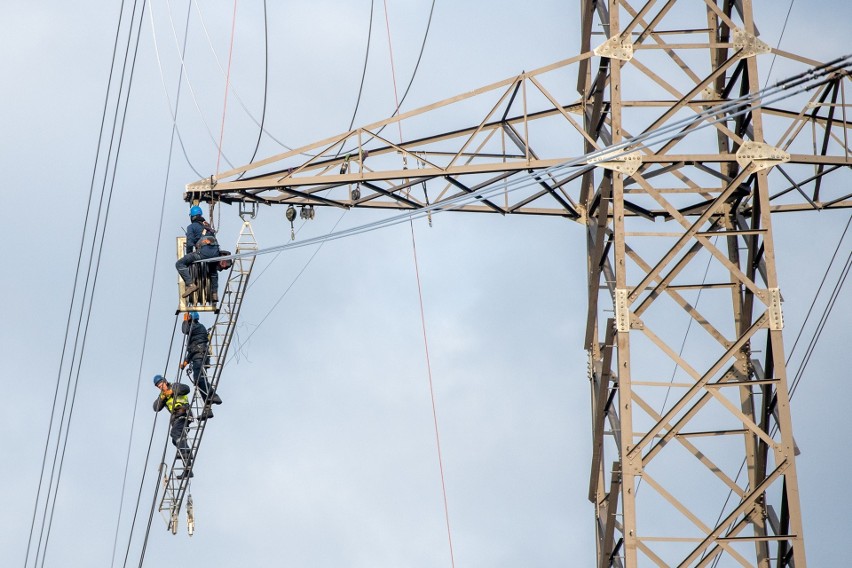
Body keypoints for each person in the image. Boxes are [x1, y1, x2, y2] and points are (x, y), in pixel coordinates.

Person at [180, 311, 223, 418]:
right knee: (200, 382)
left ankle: (213, 395)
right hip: (197, 356)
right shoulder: (194, 331)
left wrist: (185, 320)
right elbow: (191, 350)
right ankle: (208, 409)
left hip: (200, 356)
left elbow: (185, 330)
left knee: (199, 379)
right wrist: (185, 362)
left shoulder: (197, 327)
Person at [176, 205, 221, 302]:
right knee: (213, 271)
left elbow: (189, 243)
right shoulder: (208, 226)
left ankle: (190, 285)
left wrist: (189, 256)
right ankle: (214, 293)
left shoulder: (191, 227)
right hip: (215, 253)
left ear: (191, 217)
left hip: (202, 253)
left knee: (179, 264)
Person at [153, 374, 194, 479]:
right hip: (176, 419)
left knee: (175, 433)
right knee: (175, 440)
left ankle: (186, 452)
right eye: (158, 386)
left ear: (165, 381)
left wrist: (173, 391)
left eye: (160, 384)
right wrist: (162, 397)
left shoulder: (175, 386)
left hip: (183, 413)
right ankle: (188, 468)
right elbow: (156, 407)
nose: (160, 387)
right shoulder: (163, 395)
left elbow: (187, 389)